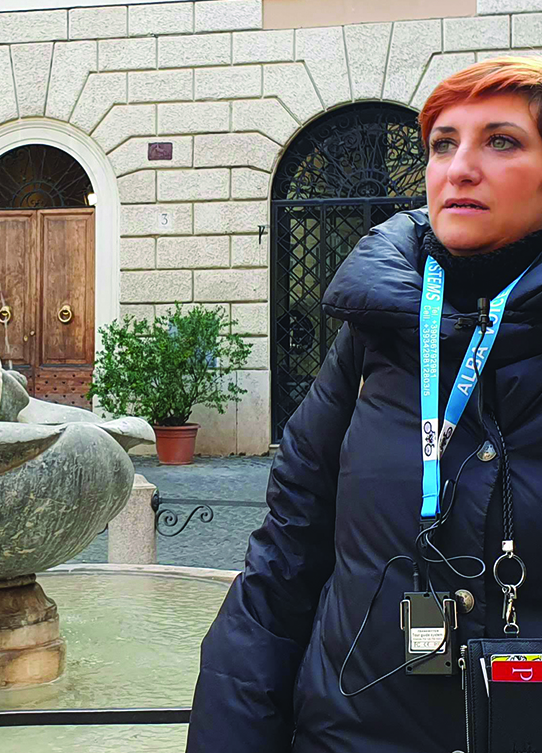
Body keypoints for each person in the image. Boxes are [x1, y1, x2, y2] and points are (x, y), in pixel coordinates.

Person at [187, 57, 542, 752]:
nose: (458, 168)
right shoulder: (371, 337)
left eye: (501, 141)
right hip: (348, 734)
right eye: (443, 143)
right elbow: (283, 563)